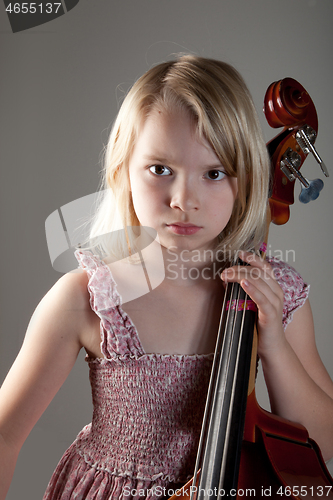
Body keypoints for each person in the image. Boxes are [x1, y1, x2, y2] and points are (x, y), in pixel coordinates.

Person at [1, 55, 333, 500]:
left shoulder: (276, 296)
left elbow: (321, 446)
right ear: (124, 171)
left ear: (248, 181)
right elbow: (4, 436)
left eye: (214, 174)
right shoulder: (90, 298)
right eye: (161, 170)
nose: (183, 200)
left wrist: (273, 346)